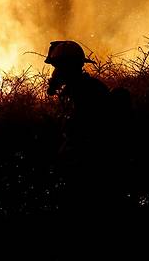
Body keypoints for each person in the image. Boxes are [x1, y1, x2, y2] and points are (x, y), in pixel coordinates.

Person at [44, 41, 116, 218]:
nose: (54, 72)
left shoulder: (86, 92)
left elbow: (85, 136)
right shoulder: (78, 90)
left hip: (88, 171)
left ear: (66, 68)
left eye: (56, 67)